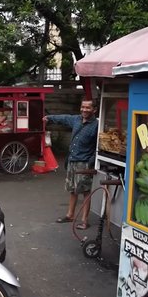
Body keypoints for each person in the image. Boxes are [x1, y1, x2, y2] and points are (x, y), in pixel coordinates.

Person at [43, 99, 98, 230]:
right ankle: (70, 215)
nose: (84, 110)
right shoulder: (76, 119)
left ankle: (85, 220)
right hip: (72, 160)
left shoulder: (96, 125)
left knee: (85, 191)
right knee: (72, 190)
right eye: (83, 107)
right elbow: (63, 118)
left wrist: (91, 161)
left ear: (94, 110)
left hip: (84, 163)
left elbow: (98, 146)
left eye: (88, 107)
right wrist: (48, 118)